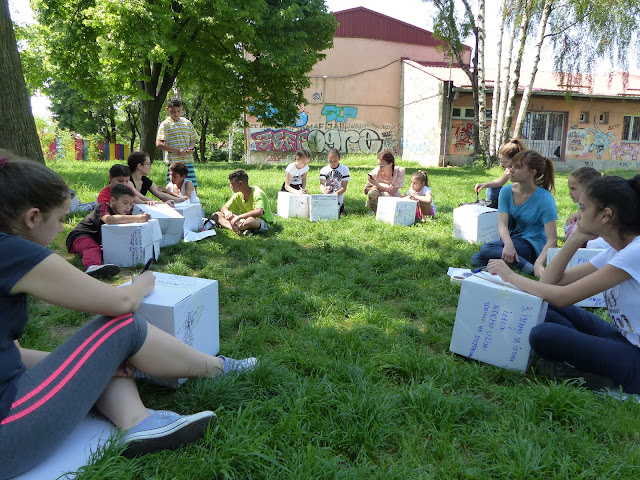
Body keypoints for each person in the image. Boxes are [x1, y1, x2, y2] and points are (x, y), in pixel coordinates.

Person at [0, 152, 257, 479]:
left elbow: (13, 353)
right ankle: (218, 369)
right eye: (61, 219)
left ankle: (137, 421)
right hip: (10, 431)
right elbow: (120, 302)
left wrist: (94, 364)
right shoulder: (11, 251)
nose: (62, 228)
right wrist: (142, 284)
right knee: (124, 326)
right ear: (33, 217)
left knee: (102, 352)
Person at [487, 174, 640, 394]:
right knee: (544, 305)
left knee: (543, 335)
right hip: (624, 339)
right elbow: (550, 282)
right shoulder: (616, 250)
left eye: (583, 208)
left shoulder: (635, 252)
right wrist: (576, 238)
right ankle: (586, 358)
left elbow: (564, 296)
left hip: (636, 357)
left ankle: (586, 370)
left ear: (606, 215)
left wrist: (510, 276)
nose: (578, 215)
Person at [471, 149, 557, 277]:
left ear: (532, 172)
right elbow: (502, 224)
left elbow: (552, 240)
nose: (511, 170)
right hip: (511, 241)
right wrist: (508, 244)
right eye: (512, 166)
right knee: (476, 259)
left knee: (486, 250)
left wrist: (539, 263)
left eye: (518, 167)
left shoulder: (545, 198)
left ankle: (530, 267)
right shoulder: (506, 191)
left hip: (532, 245)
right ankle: (522, 264)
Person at [67, 184, 151, 278]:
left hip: (99, 241)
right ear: (113, 200)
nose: (128, 207)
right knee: (92, 247)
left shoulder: (126, 213)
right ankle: (92, 267)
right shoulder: (102, 206)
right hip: (80, 236)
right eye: (125, 203)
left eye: (131, 204)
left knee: (104, 251)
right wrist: (138, 218)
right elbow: (109, 220)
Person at [208, 169, 273, 236]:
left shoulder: (257, 193)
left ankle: (237, 228)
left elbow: (259, 211)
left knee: (250, 221)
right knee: (217, 215)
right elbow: (224, 207)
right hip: (244, 220)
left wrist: (239, 217)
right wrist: (227, 212)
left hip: (260, 221)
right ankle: (239, 230)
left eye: (232, 184)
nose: (230, 186)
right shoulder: (238, 194)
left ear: (240, 183)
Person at [156, 97, 199, 189]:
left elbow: (193, 139)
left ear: (182, 108)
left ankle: (191, 199)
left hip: (187, 161)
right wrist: (176, 151)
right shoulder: (165, 124)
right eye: (172, 111)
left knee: (192, 186)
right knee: (172, 187)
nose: (176, 114)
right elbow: (159, 143)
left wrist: (190, 148)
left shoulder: (187, 123)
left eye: (178, 111)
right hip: (173, 162)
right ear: (167, 109)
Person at [564, 167, 610, 249]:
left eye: (573, 189)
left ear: (588, 189)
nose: (569, 193)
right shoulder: (582, 205)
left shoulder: (598, 205)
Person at [474, 139, 527, 208]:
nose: (502, 164)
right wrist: (485, 185)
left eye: (505, 162)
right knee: (491, 189)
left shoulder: (524, 170)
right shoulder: (509, 169)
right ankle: (492, 208)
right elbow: (500, 181)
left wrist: (513, 176)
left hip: (521, 198)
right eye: (502, 161)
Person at [319, 148, 350, 215]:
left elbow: (344, 187)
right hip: (326, 198)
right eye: (330, 161)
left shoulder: (344, 169)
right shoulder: (324, 170)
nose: (333, 163)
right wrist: (324, 190)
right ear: (327, 159)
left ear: (339, 158)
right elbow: (321, 184)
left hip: (337, 199)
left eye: (335, 161)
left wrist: (334, 195)